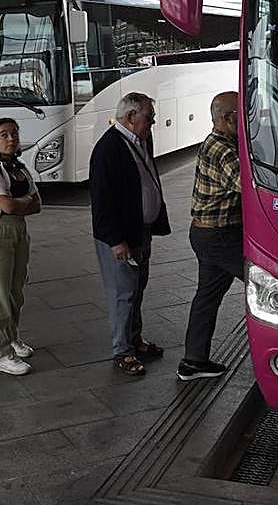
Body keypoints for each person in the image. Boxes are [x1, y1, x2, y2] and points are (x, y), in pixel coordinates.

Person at [90, 92, 171, 376]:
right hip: (121, 238)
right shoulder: (109, 149)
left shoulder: (140, 140)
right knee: (123, 293)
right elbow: (101, 203)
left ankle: (134, 339)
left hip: (140, 231)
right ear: (131, 117)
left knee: (137, 289)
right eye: (150, 117)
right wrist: (116, 241)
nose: (153, 122)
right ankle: (122, 350)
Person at [178, 92, 245, 381]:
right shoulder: (222, 149)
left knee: (207, 296)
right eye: (242, 113)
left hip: (209, 233)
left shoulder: (224, 142)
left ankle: (193, 361)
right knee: (268, 280)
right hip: (219, 236)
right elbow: (247, 183)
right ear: (228, 118)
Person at [0, 118, 40, 376]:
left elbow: (38, 204)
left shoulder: (19, 168)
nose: (11, 139)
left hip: (18, 229)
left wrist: (19, 202)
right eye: (4, 134)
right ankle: (0, 352)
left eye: (14, 133)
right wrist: (23, 201)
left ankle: (12, 337)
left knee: (16, 290)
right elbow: (7, 205)